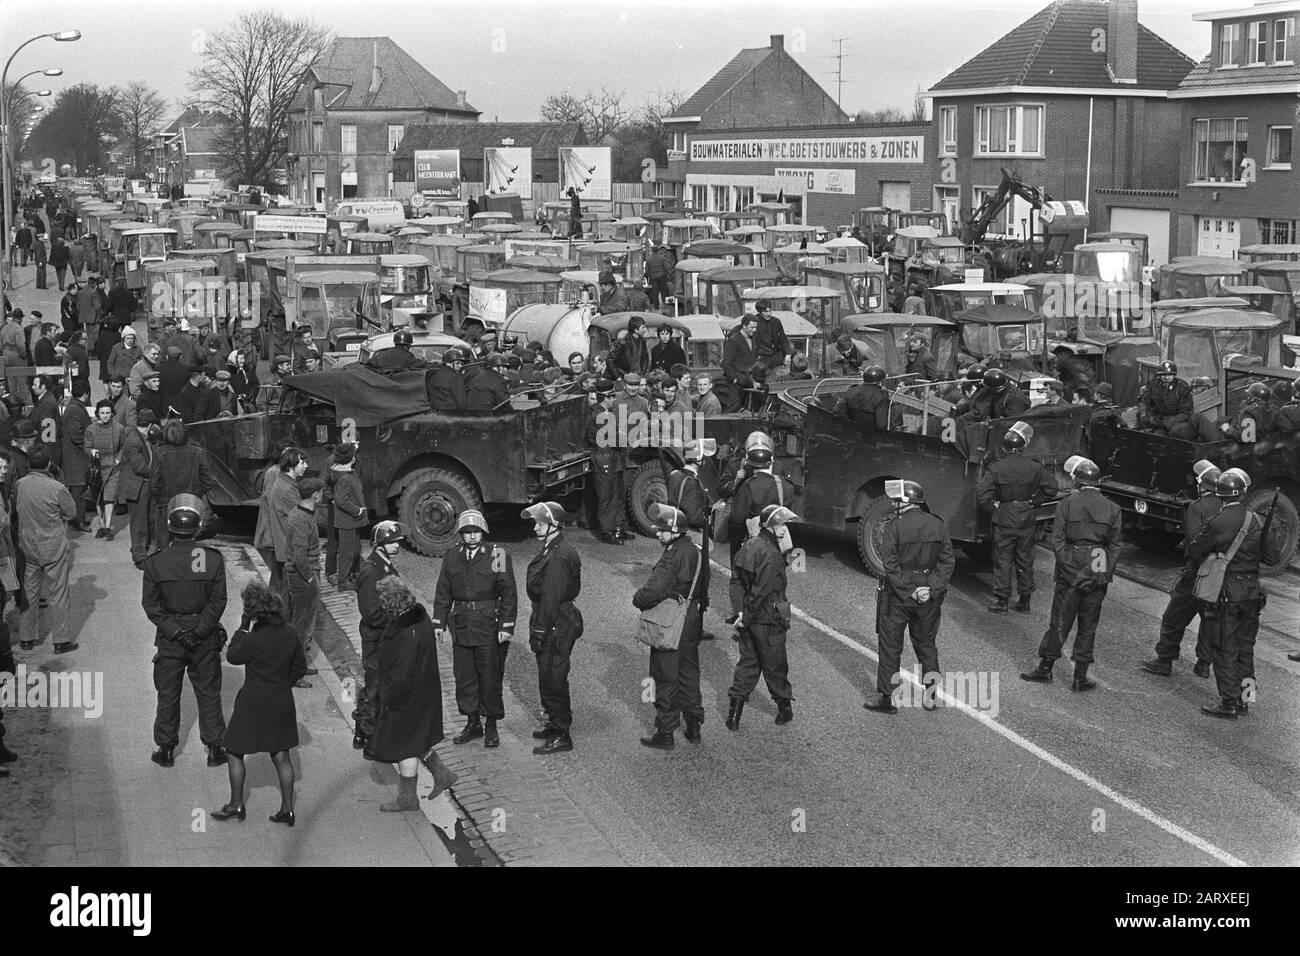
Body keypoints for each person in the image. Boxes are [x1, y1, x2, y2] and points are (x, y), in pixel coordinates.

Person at [1021, 456, 1122, 691]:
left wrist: (1069, 568)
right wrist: (1102, 572)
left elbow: (1057, 540)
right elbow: (1115, 546)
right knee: (1089, 623)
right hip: (1098, 562)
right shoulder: (1113, 507)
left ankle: (1046, 668)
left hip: (1072, 563)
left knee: (1059, 619)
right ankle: (1080, 676)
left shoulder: (1067, 504)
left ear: (1077, 480)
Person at [212, 582, 308, 826]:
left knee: (233, 750)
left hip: (253, 702)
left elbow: (232, 656)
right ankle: (287, 809)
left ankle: (236, 804)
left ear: (253, 612)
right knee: (281, 756)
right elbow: (300, 668)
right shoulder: (290, 633)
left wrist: (243, 627)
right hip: (281, 701)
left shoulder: (253, 639)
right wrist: (282, 684)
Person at [143, 494, 228, 768]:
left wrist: (177, 633)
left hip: (171, 638)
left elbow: (151, 605)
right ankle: (215, 748)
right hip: (204, 639)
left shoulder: (156, 561)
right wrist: (201, 630)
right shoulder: (211, 559)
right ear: (198, 526)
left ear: (170, 526)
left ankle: (166, 749)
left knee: (168, 694)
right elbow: (218, 601)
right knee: (209, 692)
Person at [1187, 471, 1280, 718]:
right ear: (1244, 493)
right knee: (1245, 649)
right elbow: (1273, 558)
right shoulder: (1258, 521)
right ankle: (1246, 699)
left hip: (1226, 593)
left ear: (1220, 494)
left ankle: (1229, 702)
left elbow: (1195, 550)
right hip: (1252, 592)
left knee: (1224, 647)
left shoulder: (1218, 522)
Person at [864, 480, 955, 714]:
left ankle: (887, 699)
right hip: (929, 596)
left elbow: (890, 565)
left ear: (905, 502)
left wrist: (908, 590)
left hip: (899, 596)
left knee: (890, 647)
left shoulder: (893, 527)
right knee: (926, 645)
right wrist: (930, 588)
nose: (893, 504)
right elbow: (946, 563)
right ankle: (932, 695)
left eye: (896, 500)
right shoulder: (938, 525)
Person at [433, 509, 517, 749]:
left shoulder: (497, 554)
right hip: (461, 625)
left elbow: (508, 593)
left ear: (483, 532)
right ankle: (473, 723)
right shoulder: (451, 556)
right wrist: (439, 622)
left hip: (488, 625)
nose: (471, 536)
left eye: (476, 531)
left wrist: (506, 626)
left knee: (490, 677)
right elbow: (443, 591)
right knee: (465, 677)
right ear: (461, 533)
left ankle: (491, 724)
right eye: (467, 532)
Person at [368, 577, 454, 810]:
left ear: (391, 604)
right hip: (423, 694)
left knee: (404, 746)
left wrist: (386, 700)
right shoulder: (420, 618)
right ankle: (442, 774)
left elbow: (401, 674)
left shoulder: (405, 632)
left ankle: (408, 799)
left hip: (405, 700)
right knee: (418, 739)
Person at [634, 503, 709, 748]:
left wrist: (638, 599)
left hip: (670, 623)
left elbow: (654, 590)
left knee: (664, 677)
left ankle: (665, 733)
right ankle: (694, 726)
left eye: (662, 530)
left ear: (675, 531)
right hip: (691, 620)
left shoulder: (672, 555)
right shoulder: (696, 551)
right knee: (689, 674)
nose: (657, 533)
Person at [1141, 460, 1220, 679]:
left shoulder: (1197, 507)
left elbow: (1193, 541)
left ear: (1201, 485)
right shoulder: (1227, 506)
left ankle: (1164, 660)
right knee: (1210, 619)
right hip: (1218, 575)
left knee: (1174, 616)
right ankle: (1204, 663)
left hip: (1196, 573)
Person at [726, 502, 798, 730]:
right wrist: (746, 617)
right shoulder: (771, 554)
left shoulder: (748, 546)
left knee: (747, 664)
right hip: (768, 618)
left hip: (751, 615)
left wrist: (740, 612)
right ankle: (784, 708)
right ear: (772, 527)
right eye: (782, 525)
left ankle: (734, 716)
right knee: (775, 665)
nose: (785, 529)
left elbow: (736, 582)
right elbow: (761, 592)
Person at [522, 501, 583, 755]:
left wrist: (539, 632)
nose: (535, 527)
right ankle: (555, 722)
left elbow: (550, 598)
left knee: (553, 676)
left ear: (554, 526)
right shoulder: (553, 547)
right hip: (554, 619)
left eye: (539, 523)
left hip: (556, 622)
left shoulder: (558, 556)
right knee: (548, 673)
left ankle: (561, 733)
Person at [977, 421, 1056, 614]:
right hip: (1026, 518)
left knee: (1002, 560)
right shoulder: (1035, 467)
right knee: (1025, 560)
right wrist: (1034, 501)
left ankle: (1002, 602)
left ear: (1006, 447)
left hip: (1004, 518)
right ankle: (1025, 601)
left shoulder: (996, 468)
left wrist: (994, 510)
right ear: (1024, 445)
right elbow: (1052, 488)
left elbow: (982, 496)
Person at [15, 445, 76, 653]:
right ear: (49, 463)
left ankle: (26, 638)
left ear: (29, 463)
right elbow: (72, 513)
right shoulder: (56, 487)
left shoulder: (20, 485)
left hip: (28, 545)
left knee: (29, 593)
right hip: (52, 545)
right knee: (58, 593)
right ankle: (60, 640)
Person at [352, 521, 404, 752]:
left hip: (386, 637)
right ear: (379, 544)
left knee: (379, 685)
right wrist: (399, 621)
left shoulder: (384, 565)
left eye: (397, 542)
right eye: (391, 542)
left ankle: (363, 729)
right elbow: (372, 613)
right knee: (375, 687)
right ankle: (371, 739)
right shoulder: (371, 570)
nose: (396, 546)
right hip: (377, 638)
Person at [726, 431, 796, 565]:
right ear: (771, 462)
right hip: (777, 536)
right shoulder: (785, 485)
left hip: (756, 537)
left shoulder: (749, 485)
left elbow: (738, 519)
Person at [283, 476, 326, 678]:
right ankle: (297, 671)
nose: (323, 496)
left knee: (298, 622)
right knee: (303, 625)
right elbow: (300, 556)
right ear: (315, 495)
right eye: (321, 493)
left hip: (300, 574)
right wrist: (311, 579)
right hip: (303, 575)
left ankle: (294, 665)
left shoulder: (299, 513)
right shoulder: (302, 519)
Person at [152, 420, 213, 549]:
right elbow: (208, 481)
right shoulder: (197, 452)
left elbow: (154, 483)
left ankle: (163, 567)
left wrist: (158, 497)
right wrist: (196, 495)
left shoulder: (160, 452)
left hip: (165, 502)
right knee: (188, 542)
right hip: (189, 503)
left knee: (163, 544)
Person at [253, 447, 304, 596]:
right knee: (280, 574)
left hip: (276, 533)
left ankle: (274, 605)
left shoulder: (278, 473)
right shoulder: (275, 473)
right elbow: (272, 505)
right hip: (273, 533)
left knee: (279, 575)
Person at [587, 379, 627, 545]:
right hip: (604, 458)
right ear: (606, 398)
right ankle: (606, 531)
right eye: (612, 397)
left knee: (615, 494)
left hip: (610, 457)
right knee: (606, 496)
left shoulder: (602, 413)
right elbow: (615, 439)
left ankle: (617, 527)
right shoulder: (600, 416)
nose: (614, 401)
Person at [121, 409, 160, 567]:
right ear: (150, 425)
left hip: (145, 485)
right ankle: (139, 556)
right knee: (139, 523)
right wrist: (159, 474)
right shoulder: (134, 441)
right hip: (138, 486)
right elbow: (140, 467)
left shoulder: (144, 437)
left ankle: (145, 549)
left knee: (150, 520)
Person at [85, 398, 125, 539]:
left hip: (113, 468)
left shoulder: (119, 428)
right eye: (102, 413)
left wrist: (119, 459)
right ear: (97, 414)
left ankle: (107, 527)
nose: (105, 415)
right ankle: (102, 526)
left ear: (112, 413)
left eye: (108, 413)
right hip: (96, 468)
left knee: (109, 497)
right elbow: (86, 446)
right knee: (98, 499)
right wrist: (91, 452)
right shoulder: (91, 429)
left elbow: (123, 446)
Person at [60, 379, 94, 533]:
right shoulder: (75, 409)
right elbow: (76, 435)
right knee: (78, 491)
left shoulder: (73, 407)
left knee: (78, 489)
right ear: (86, 394)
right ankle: (77, 521)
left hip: (74, 456)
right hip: (76, 457)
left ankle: (77, 519)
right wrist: (88, 447)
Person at [1136, 361, 1195, 439]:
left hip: (1178, 421)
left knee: (1174, 434)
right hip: (1160, 420)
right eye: (1163, 375)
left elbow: (1186, 412)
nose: (1166, 377)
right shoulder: (1154, 385)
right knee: (1153, 438)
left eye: (1169, 375)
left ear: (1174, 375)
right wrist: (1143, 414)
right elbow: (1145, 402)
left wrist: (1168, 423)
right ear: (1160, 375)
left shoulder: (1181, 387)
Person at [833, 364, 900, 431]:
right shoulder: (880, 396)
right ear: (880, 383)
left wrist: (850, 426)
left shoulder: (852, 390)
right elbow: (882, 425)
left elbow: (837, 411)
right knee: (896, 407)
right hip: (871, 434)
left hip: (853, 430)